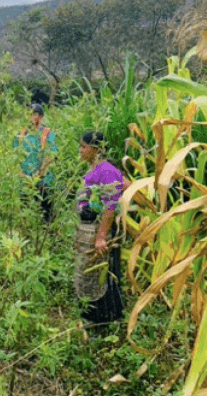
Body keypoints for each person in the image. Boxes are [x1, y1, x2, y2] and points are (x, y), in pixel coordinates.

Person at [75, 131, 124, 325]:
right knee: (89, 273)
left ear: (95, 150)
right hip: (87, 230)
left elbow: (109, 209)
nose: (80, 150)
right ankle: (93, 317)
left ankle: (106, 320)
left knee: (102, 273)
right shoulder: (94, 169)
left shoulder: (107, 170)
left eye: (83, 147)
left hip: (98, 230)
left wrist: (101, 237)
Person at [13, 103, 58, 223]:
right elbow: (14, 156)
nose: (31, 117)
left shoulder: (48, 134)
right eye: (30, 114)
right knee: (24, 213)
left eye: (34, 114)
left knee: (44, 214)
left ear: (40, 117)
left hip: (42, 181)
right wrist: (20, 173)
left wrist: (39, 174)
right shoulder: (21, 134)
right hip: (23, 181)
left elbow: (50, 157)